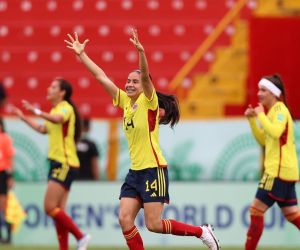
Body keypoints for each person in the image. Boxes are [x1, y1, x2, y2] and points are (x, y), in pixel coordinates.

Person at [65, 30, 220, 250]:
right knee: (124, 218)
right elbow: (101, 77)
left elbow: (146, 77)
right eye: (128, 81)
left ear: (144, 86)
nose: (129, 84)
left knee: (153, 224)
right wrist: (82, 55)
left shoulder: (149, 101)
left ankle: (202, 232)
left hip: (153, 169)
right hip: (135, 172)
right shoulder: (125, 102)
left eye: (134, 82)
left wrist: (141, 53)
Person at [12, 79, 91, 250]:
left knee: (49, 207)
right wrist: (24, 118)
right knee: (57, 211)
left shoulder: (64, 108)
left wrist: (37, 111)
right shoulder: (55, 109)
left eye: (53, 86)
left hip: (64, 163)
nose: (49, 88)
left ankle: (81, 236)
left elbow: (57, 119)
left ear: (62, 93)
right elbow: (43, 129)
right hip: (62, 163)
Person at [244, 74, 300, 250]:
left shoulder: (280, 111)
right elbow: (264, 140)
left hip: (277, 172)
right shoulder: (272, 112)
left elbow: (275, 132)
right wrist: (253, 120)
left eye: (263, 90)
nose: (259, 93)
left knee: (255, 210)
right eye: (259, 89)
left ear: (274, 93)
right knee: (292, 214)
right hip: (285, 172)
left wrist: (260, 116)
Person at [0, 117, 15, 244]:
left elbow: (10, 158)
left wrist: (10, 177)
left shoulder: (5, 138)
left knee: (4, 206)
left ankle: (8, 236)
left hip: (2, 174)